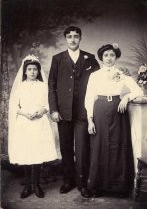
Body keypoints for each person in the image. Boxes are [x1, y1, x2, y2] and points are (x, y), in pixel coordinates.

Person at [85, 43, 143, 198]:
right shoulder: (95, 75)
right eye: (106, 55)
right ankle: (97, 186)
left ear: (116, 57)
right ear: (101, 58)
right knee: (100, 147)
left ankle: (119, 188)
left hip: (118, 111)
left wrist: (126, 97)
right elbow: (89, 98)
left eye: (112, 55)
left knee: (118, 146)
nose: (109, 58)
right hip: (100, 110)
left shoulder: (121, 74)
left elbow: (139, 90)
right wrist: (90, 120)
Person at [48, 26, 99, 198]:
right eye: (69, 36)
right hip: (63, 112)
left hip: (83, 112)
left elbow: (99, 80)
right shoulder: (57, 59)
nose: (72, 39)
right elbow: (51, 86)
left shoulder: (90, 59)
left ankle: (82, 182)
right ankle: (68, 180)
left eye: (76, 36)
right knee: (66, 147)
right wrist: (54, 109)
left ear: (80, 38)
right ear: (65, 39)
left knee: (83, 148)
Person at [8, 55, 58, 199]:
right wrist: (24, 113)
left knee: (37, 154)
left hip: (39, 122)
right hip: (24, 123)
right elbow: (14, 106)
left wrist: (42, 111)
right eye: (29, 69)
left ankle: (36, 185)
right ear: (25, 71)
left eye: (35, 69)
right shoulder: (20, 87)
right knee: (26, 154)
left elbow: (49, 104)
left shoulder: (43, 86)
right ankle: (28, 185)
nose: (32, 72)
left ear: (38, 71)